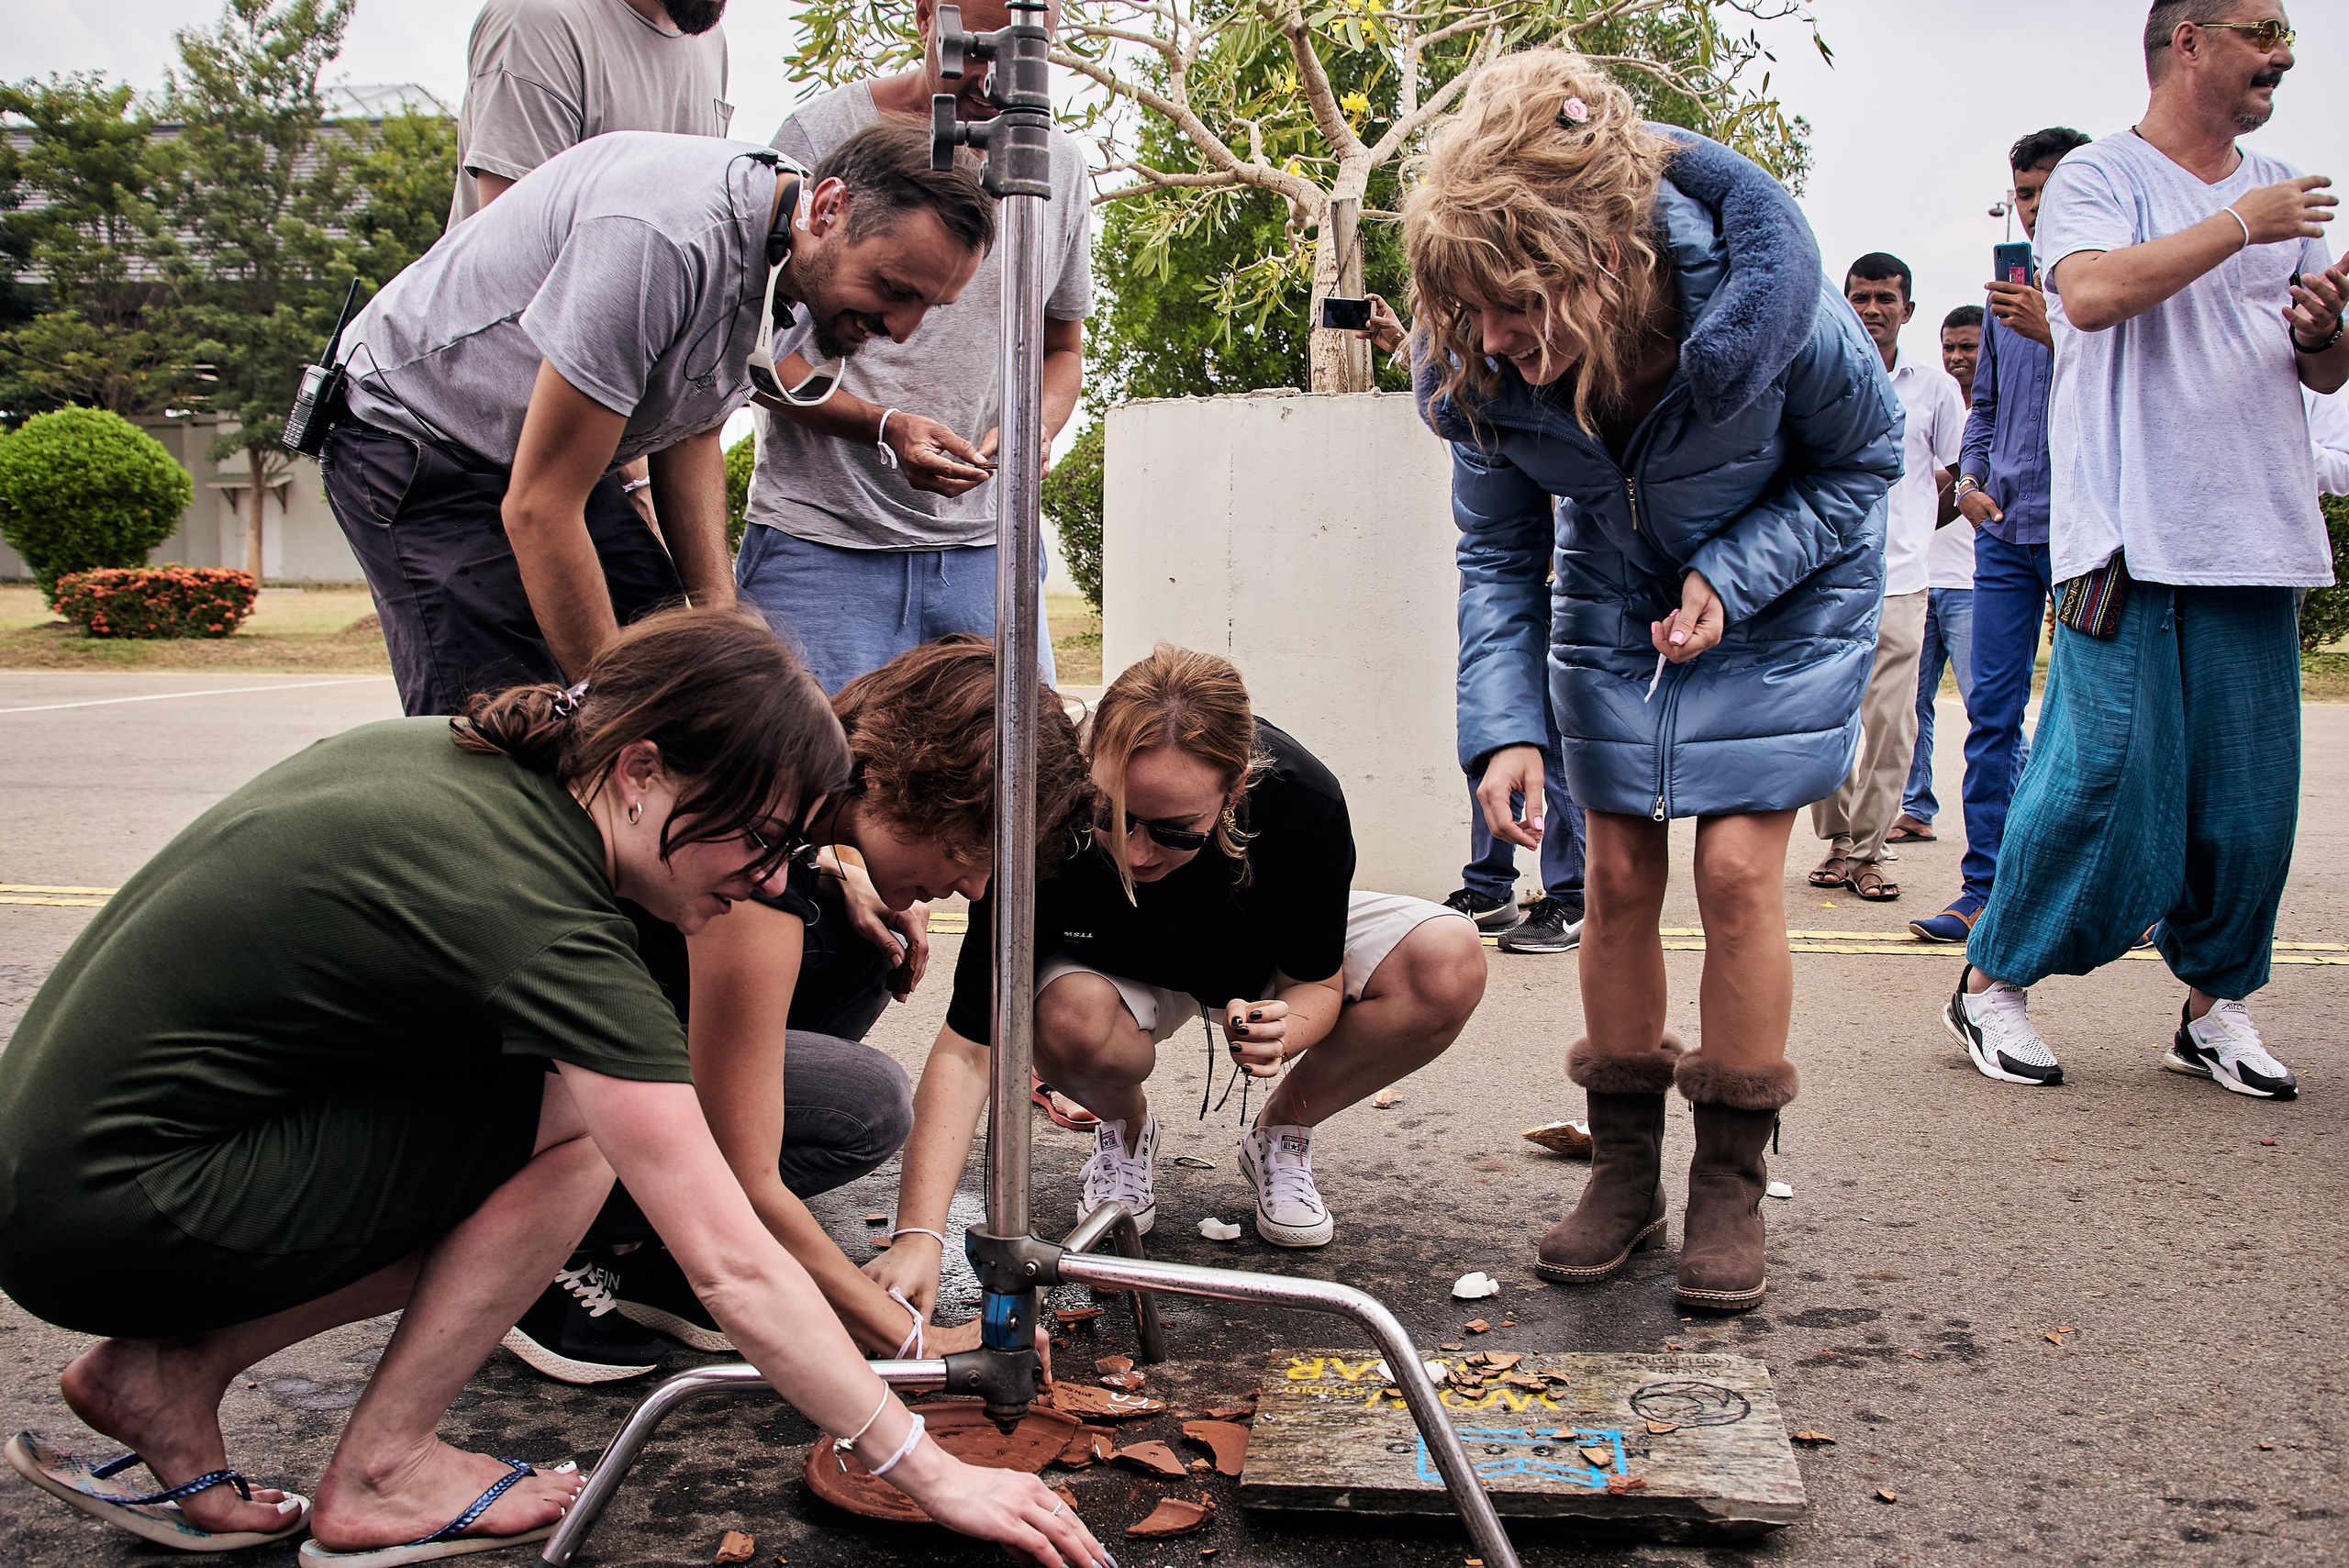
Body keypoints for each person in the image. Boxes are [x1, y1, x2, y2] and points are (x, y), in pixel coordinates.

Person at [0, 607, 1106, 1568]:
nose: (777, 878)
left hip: (76, 1170)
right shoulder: (547, 918)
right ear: (640, 769)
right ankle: (384, 1468)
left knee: (546, 1107)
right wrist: (932, 1467)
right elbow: (730, 1260)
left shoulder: (460, 763)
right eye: (761, 839)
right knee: (579, 1127)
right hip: (108, 1214)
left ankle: (172, 1373)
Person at [1408, 50, 1901, 1312]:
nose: (1491, 338)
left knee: (1734, 872)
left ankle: (1728, 1181)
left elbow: (1864, 463)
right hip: (1617, 601)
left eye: (1519, 304)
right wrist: (1504, 729)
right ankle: (1623, 1172)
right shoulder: (1478, 361)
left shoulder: (1768, 309)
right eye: (1471, 308)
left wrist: (1733, 573)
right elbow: (1499, 553)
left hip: (1787, 593)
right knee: (1617, 877)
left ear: (1609, 260)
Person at [505, 634, 1093, 1382]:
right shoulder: (753, 862)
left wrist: (835, 866)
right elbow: (745, 1175)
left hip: (576, 1032)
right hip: (494, 1089)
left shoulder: (798, 814)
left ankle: (648, 1243)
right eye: (963, 851)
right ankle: (554, 1240)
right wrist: (915, 1339)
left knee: (869, 952)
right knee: (866, 1103)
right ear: (894, 783)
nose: (975, 888)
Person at [1946, 0, 2344, 1097]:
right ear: (2189, 42)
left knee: (2249, 804)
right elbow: (2088, 293)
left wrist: (2323, 331)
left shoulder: (2283, 188)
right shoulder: (2100, 175)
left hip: (2254, 531)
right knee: (2099, 775)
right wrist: (2240, 225)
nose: (2282, 52)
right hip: (2125, 532)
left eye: (2289, 33)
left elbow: (2319, 369)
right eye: (2261, 29)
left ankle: (2215, 1006)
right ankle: (1990, 981)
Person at [322, 122, 993, 717]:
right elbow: (540, 508)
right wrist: (621, 722)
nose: (902, 330)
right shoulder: (664, 241)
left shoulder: (797, 263)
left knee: (675, 660)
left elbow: (693, 427)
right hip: (417, 435)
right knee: (520, 728)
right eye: (894, 290)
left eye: (929, 306)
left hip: (538, 456)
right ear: (828, 208)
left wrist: (727, 620)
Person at [871, 645, 1485, 1287]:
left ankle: (1282, 1130)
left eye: (1174, 829)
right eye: (1111, 816)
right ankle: (1125, 1126)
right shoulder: (1044, 803)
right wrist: (918, 1239)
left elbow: (1314, 983)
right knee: (1063, 1017)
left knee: (1447, 959)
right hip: (1108, 968)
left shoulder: (1304, 799)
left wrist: (1284, 1031)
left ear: (1237, 787)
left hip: (1252, 954)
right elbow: (969, 1048)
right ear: (1089, 768)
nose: (1136, 853)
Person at [735, 0, 1090, 695]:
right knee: (807, 762)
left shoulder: (1061, 168)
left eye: (1025, 52)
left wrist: (1036, 428)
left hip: (989, 554)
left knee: (1025, 761)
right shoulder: (818, 134)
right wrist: (884, 426)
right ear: (928, 15)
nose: (993, 78)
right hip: (821, 547)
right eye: (978, 48)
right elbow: (752, 351)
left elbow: (1063, 350)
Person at [448, 0, 739, 531]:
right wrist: (637, 483)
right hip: (475, 434)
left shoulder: (706, 38)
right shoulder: (541, 18)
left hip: (610, 427)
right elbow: (520, 275)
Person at [1909, 126, 2092, 944]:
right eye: (2024, 193)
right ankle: (1984, 888)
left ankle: (2114, 892)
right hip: (2006, 537)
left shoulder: (2110, 290)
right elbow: (1982, 410)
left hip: (2089, 534)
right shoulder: (2002, 299)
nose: (2035, 206)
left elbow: (2128, 388)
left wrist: (2058, 327)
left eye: (2050, 189)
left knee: (2095, 721)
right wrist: (1971, 485)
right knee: (1991, 713)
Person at [1806, 252, 1966, 903]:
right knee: (1825, 716)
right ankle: (1838, 841)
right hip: (1824, 582)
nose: (1872, 309)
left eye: (1885, 298)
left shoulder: (1935, 390)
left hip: (1901, 581)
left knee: (1893, 726)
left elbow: (1957, 472)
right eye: (1861, 297)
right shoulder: (1819, 373)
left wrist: (1916, 529)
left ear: (1908, 309)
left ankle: (1870, 851)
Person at [1891, 304, 1991, 845]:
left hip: (1973, 582)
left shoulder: (1998, 414)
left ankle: (2017, 806)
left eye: (1969, 346)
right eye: (1950, 347)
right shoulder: (1928, 403)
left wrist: (1934, 499)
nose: (1957, 357)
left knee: (1985, 705)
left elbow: (1960, 484)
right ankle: (1915, 807)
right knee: (1911, 705)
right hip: (1919, 578)